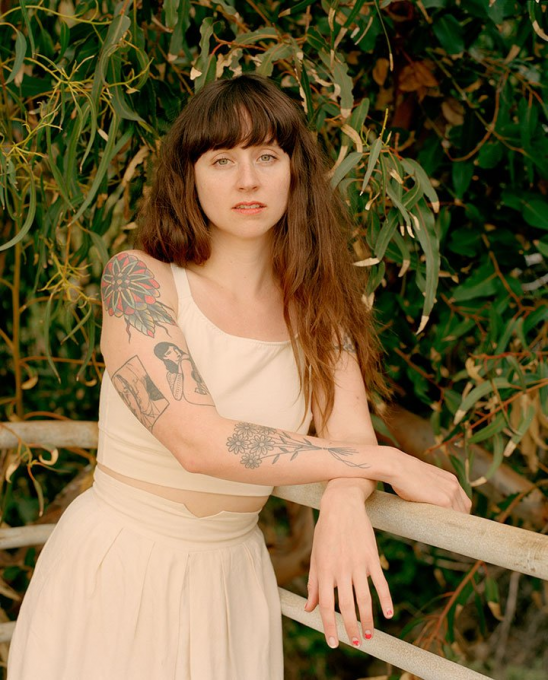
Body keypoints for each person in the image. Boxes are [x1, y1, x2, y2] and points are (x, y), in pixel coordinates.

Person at [8, 74, 471, 679]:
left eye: (267, 157)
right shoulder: (140, 281)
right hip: (121, 566)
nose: (247, 180)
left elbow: (352, 440)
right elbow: (198, 442)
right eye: (222, 159)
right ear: (190, 176)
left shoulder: (320, 313)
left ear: (294, 173)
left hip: (231, 581)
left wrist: (343, 497)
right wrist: (388, 465)